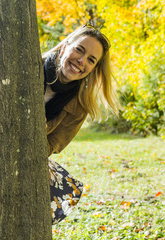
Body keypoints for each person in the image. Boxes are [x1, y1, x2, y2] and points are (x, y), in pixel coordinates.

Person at [43, 24, 119, 224]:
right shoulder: (29, 66)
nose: (81, 61)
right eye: (79, 49)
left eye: (91, 60)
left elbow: (53, 145)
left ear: (93, 69)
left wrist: (38, 130)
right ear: (65, 46)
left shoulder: (80, 106)